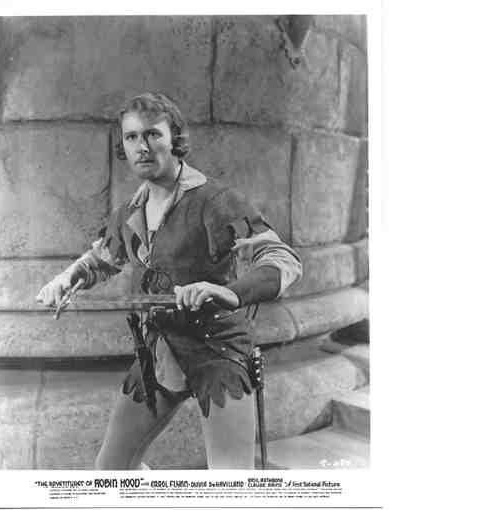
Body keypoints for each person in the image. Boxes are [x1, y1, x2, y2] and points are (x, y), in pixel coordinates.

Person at [36, 92, 302, 469]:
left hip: (219, 353)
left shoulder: (215, 201)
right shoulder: (129, 212)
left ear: (174, 139)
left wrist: (229, 292)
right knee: (111, 471)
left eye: (152, 135)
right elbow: (101, 258)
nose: (142, 147)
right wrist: (67, 278)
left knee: (230, 487)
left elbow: (281, 258)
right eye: (131, 137)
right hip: (159, 352)